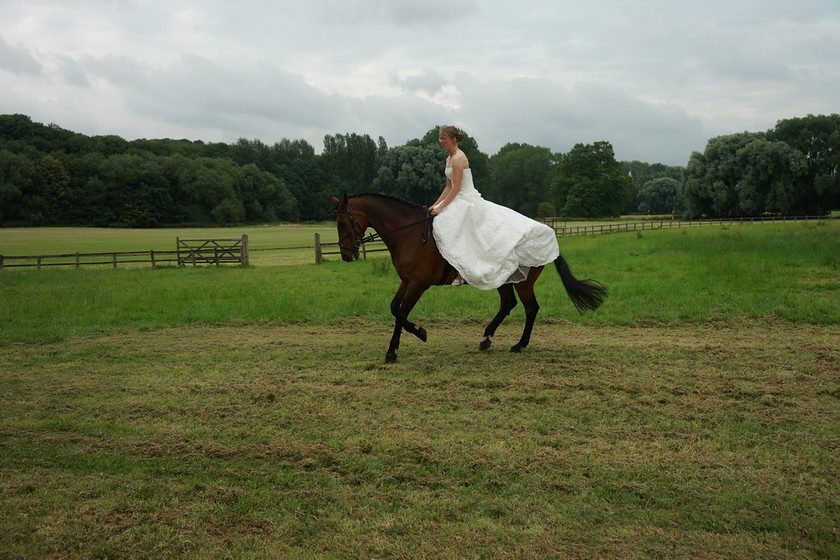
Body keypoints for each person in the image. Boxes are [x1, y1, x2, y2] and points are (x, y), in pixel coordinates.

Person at [429, 125, 560, 289]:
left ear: (453, 140)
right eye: (439, 138)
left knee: (454, 224)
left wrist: (441, 208)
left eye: (443, 138)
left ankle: (463, 271)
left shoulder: (458, 159)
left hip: (466, 198)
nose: (440, 141)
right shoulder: (448, 159)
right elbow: (448, 187)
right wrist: (435, 205)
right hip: (456, 197)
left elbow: (456, 188)